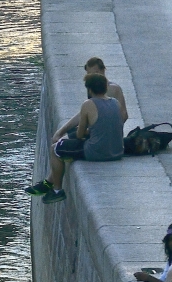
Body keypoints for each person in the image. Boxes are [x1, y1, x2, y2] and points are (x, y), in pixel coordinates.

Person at [28, 70, 125, 202]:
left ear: (90, 90)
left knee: (55, 149)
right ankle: (48, 182)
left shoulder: (88, 104)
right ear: (105, 88)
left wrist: (82, 132)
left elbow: (79, 135)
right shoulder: (115, 102)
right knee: (67, 142)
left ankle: (57, 191)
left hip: (97, 152)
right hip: (117, 150)